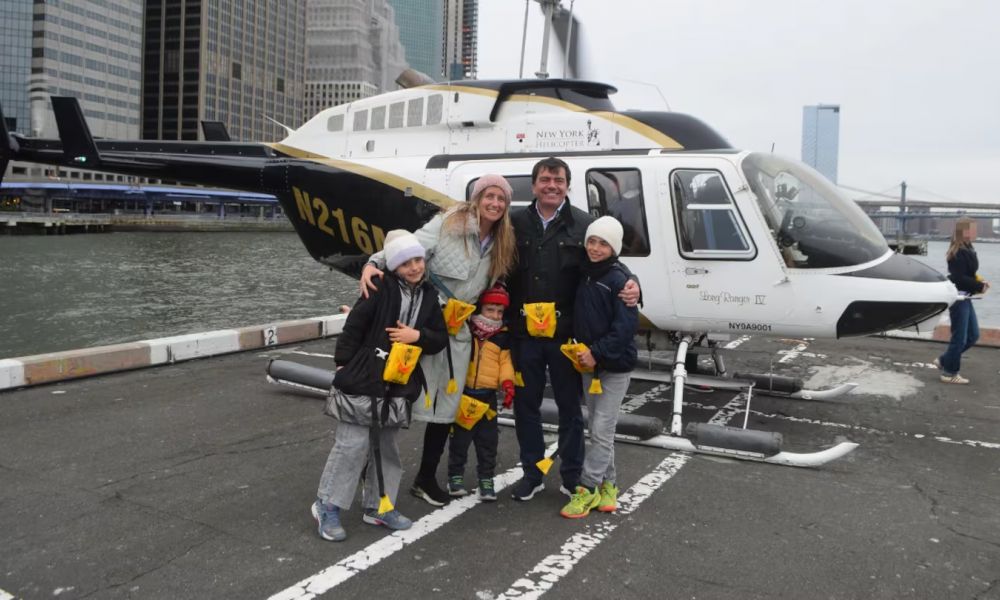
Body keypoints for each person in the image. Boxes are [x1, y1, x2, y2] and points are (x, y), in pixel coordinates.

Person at [360, 175, 517, 506]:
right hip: (422, 316)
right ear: (477, 198)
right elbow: (410, 246)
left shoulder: (502, 242)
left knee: (445, 408)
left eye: (501, 199)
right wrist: (373, 264)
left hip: (456, 332)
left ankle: (425, 478)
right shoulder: (449, 222)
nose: (495, 203)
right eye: (489, 196)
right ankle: (367, 468)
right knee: (393, 396)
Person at [507, 157, 640, 502]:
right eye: (546, 179)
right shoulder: (514, 222)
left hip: (567, 338)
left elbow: (609, 261)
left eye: (559, 180)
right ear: (534, 184)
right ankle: (532, 472)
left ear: (568, 185)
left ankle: (571, 474)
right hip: (524, 335)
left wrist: (635, 282)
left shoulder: (584, 224)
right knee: (526, 407)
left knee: (570, 409)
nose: (552, 185)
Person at [312, 230, 448, 542]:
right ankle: (328, 504)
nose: (414, 267)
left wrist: (418, 337)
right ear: (393, 267)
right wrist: (343, 363)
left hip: (399, 380)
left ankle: (379, 505)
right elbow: (355, 325)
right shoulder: (378, 287)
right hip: (365, 374)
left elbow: (438, 337)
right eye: (405, 263)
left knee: (387, 446)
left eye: (417, 260)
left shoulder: (429, 296)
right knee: (352, 443)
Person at [558, 216, 638, 518]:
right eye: (591, 241)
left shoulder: (619, 280)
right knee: (598, 427)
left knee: (601, 429)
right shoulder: (584, 272)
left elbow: (625, 328)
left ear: (614, 248)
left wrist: (597, 352)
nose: (595, 247)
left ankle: (587, 489)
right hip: (587, 363)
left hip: (613, 366)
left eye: (603, 243)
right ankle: (610, 485)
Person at [447, 284, 516, 502]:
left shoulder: (503, 336)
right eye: (490, 310)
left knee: (488, 441)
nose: (495, 315)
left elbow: (505, 362)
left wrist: (508, 384)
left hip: (488, 397)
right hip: (464, 394)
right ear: (479, 309)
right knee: (460, 440)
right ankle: (455, 476)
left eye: (499, 311)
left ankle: (486, 478)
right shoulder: (466, 329)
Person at [936, 217, 989, 385]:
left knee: (973, 336)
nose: (976, 232)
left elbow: (967, 274)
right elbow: (957, 278)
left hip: (966, 296)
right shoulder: (958, 252)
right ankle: (949, 372)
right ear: (965, 231)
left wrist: (979, 282)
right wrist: (979, 285)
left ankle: (945, 360)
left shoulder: (968, 248)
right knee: (959, 337)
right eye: (973, 229)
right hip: (958, 297)